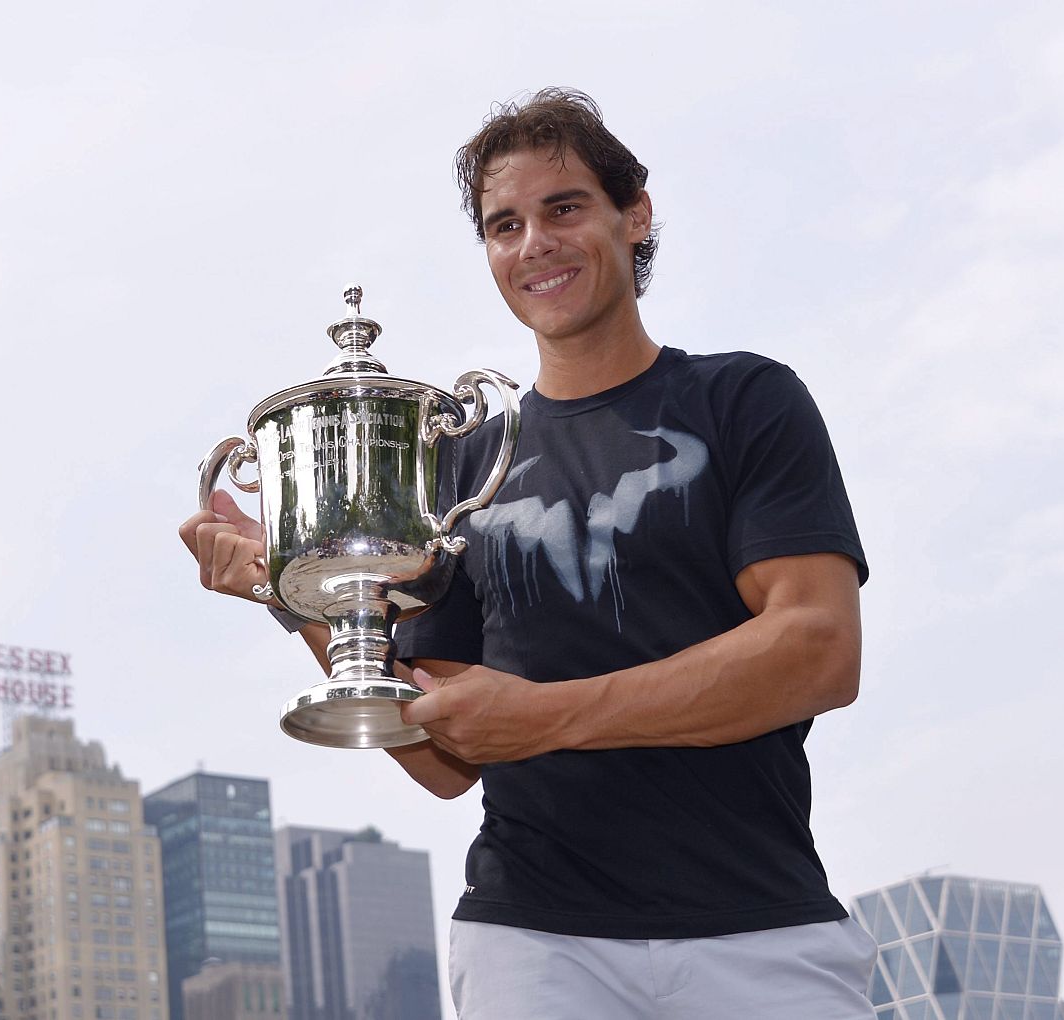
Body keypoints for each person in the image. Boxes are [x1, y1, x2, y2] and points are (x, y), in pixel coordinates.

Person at [179, 88, 875, 1018]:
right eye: (504, 225)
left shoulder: (743, 401)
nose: (534, 244)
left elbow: (818, 651)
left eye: (564, 208)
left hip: (763, 928)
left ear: (635, 214)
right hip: (534, 941)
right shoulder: (459, 464)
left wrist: (545, 717)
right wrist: (297, 589)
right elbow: (442, 759)